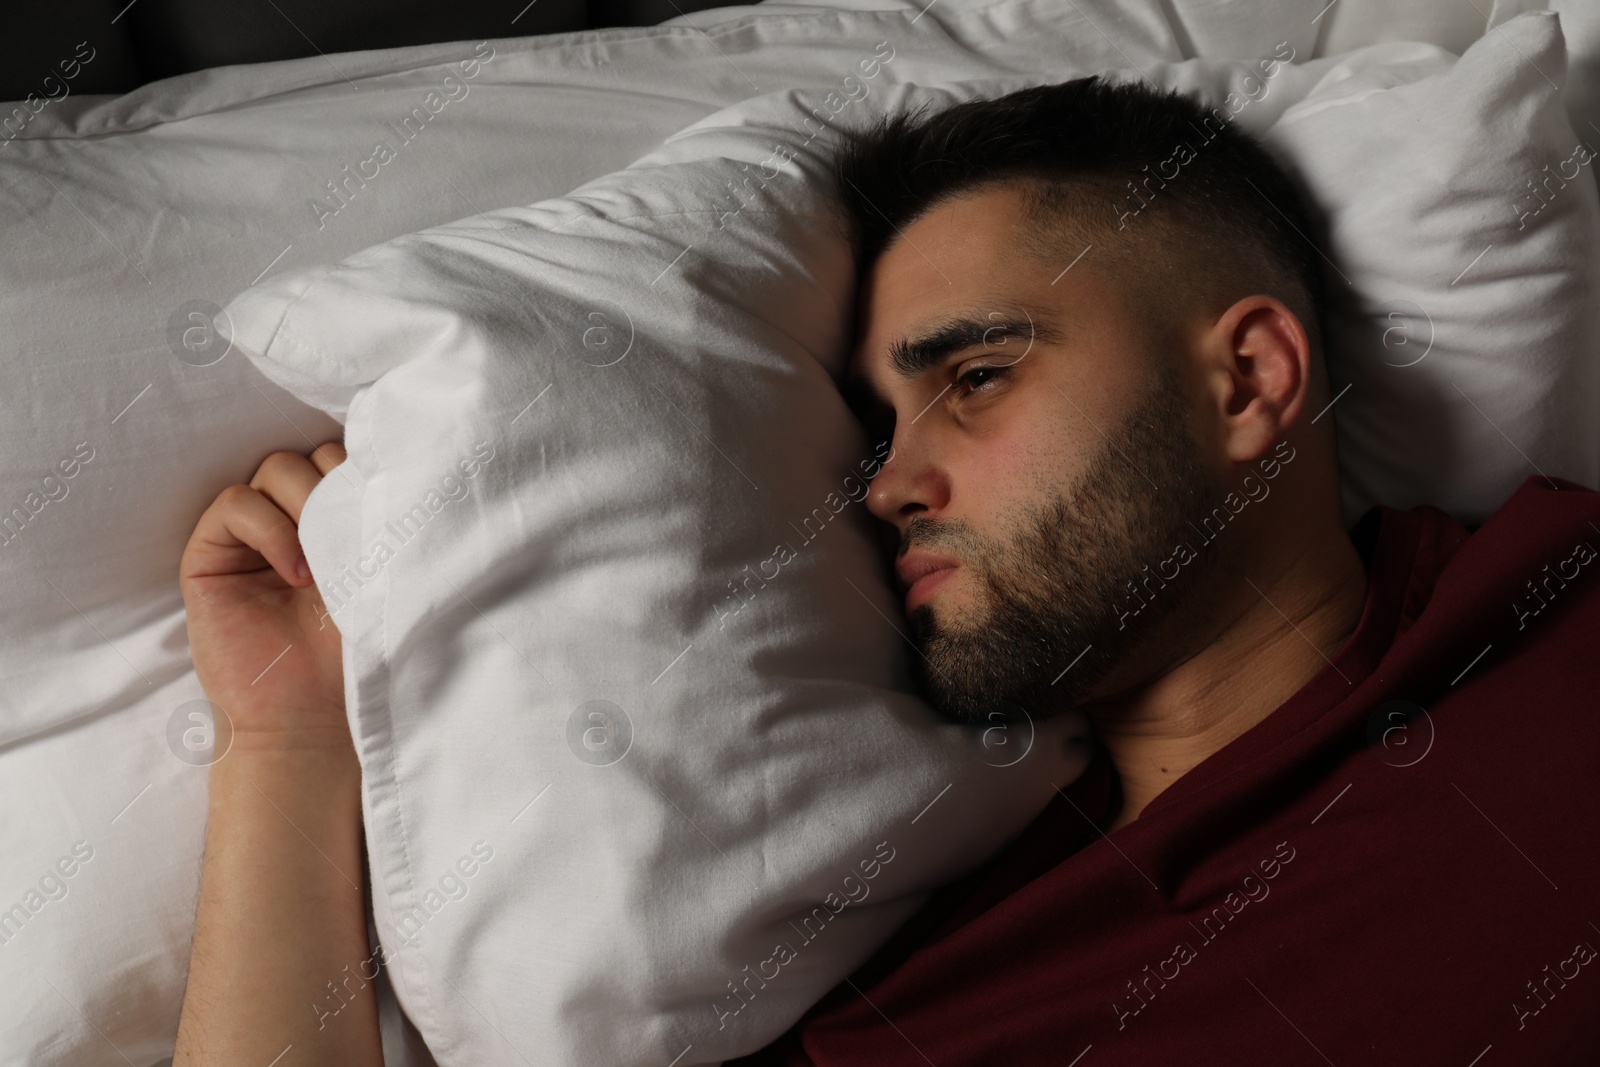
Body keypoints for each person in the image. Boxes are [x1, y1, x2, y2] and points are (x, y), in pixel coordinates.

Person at [173, 75, 1600, 1064]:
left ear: (1248, 378)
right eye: (876, 427)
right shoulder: (902, 981)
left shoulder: (1555, 633)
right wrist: (287, 743)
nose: (891, 485)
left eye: (976, 375)